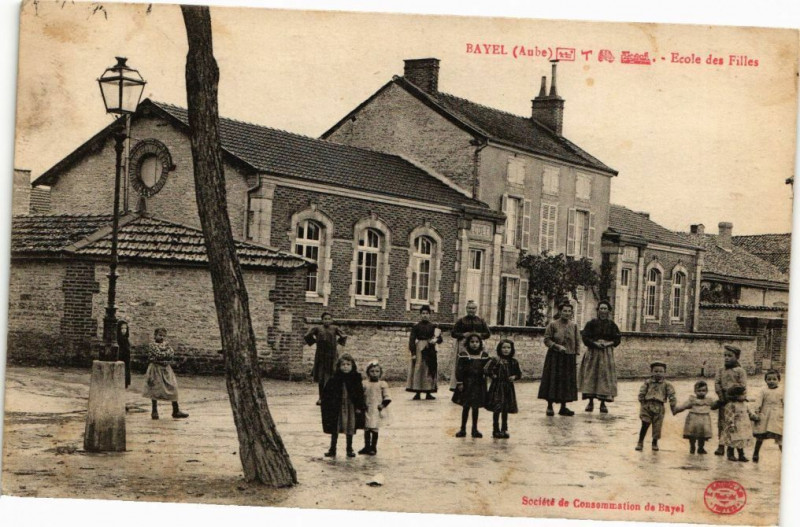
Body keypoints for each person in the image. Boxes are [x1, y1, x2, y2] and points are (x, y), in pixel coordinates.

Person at [538, 301, 580, 416]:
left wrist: (576, 355)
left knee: (566, 382)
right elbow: (547, 339)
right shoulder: (553, 325)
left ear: (572, 313)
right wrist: (556, 346)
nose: (567, 313)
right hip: (555, 357)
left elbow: (577, 341)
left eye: (569, 311)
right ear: (560, 312)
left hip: (568, 358)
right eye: (564, 311)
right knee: (553, 380)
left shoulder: (574, 326)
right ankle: (550, 406)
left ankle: (563, 407)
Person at [579, 300, 621, 413]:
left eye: (605, 309)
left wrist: (608, 343)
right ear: (598, 310)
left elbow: (617, 339)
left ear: (608, 311)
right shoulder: (591, 323)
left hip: (606, 354)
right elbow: (585, 337)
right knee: (591, 375)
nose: (603, 311)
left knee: (604, 376)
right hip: (593, 352)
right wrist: (595, 343)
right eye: (601, 308)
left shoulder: (612, 325)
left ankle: (603, 403)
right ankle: (590, 402)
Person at [320, 354, 365, 458]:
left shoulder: (356, 378)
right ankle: (332, 449)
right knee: (335, 428)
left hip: (350, 407)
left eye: (348, 364)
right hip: (338, 408)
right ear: (339, 366)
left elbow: (359, 393)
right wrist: (323, 400)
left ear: (352, 366)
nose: (345, 366)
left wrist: (359, 406)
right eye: (343, 364)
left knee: (350, 427)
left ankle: (349, 448)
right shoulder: (335, 378)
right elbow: (327, 391)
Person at [714, 344, 751, 461]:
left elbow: (742, 385)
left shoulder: (740, 371)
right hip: (724, 401)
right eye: (725, 355)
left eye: (729, 356)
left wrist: (732, 393)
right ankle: (721, 446)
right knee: (723, 423)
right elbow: (717, 383)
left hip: (736, 401)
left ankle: (739, 451)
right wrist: (721, 396)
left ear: (737, 357)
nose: (726, 358)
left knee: (737, 426)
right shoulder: (720, 370)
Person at [142, 328, 188, 420]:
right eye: (160, 335)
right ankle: (154, 411)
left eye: (163, 336)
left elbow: (171, 353)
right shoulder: (152, 345)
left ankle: (176, 410)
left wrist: (166, 353)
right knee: (155, 388)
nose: (161, 337)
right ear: (155, 336)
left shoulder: (166, 345)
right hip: (155, 369)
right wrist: (165, 353)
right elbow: (159, 354)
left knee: (173, 387)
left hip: (166, 369)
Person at [452, 334, 490, 438]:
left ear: (480, 343)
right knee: (466, 407)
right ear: (468, 343)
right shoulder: (464, 354)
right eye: (472, 342)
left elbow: (488, 368)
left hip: (479, 384)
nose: (474, 344)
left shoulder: (484, 355)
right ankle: (463, 429)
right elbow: (459, 369)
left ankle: (475, 429)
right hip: (467, 384)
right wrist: (460, 382)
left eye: (477, 342)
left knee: (475, 407)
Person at [305, 312, 347, 404]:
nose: (327, 321)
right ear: (322, 320)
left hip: (332, 356)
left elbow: (344, 336)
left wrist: (337, 343)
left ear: (331, 320)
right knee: (321, 378)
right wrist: (315, 341)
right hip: (321, 356)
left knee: (332, 376)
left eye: (329, 319)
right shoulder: (318, 328)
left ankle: (332, 397)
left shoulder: (335, 328)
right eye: (325, 319)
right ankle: (321, 398)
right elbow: (307, 335)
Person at [484, 339, 522, 439]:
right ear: (499, 349)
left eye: (508, 348)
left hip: (508, 388)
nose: (506, 350)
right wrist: (493, 375)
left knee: (505, 408)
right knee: (497, 408)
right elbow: (486, 369)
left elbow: (519, 374)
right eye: (504, 347)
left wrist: (514, 377)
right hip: (497, 387)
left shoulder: (513, 362)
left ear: (512, 349)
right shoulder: (495, 360)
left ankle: (504, 429)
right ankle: (495, 430)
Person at [635, 361, 676, 451]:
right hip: (647, 405)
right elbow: (642, 392)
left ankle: (654, 443)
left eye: (661, 371)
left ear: (664, 373)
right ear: (651, 372)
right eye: (656, 371)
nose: (658, 373)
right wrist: (642, 402)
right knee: (645, 424)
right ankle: (640, 442)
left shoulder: (667, 384)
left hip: (659, 407)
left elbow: (671, 394)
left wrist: (673, 405)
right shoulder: (647, 382)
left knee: (657, 427)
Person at [450, 301, 490, 390]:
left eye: (473, 308)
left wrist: (480, 335)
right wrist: (463, 335)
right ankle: (459, 385)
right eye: (469, 308)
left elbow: (487, 334)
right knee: (462, 364)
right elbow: (453, 333)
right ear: (466, 309)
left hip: (478, 345)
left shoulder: (481, 321)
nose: (471, 310)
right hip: (463, 345)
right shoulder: (461, 321)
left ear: (476, 309)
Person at [407, 305, 442, 400]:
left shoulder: (433, 326)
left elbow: (440, 339)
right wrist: (413, 353)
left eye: (427, 313)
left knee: (429, 369)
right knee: (419, 369)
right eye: (423, 313)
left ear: (429, 315)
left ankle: (428, 392)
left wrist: (435, 340)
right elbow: (411, 340)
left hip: (430, 349)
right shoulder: (416, 327)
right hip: (420, 349)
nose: (425, 315)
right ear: (420, 315)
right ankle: (417, 391)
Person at [673, 380, 715, 454]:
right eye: (699, 390)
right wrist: (676, 410)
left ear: (707, 391)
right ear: (695, 391)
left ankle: (701, 448)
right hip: (693, 419)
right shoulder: (692, 400)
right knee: (692, 435)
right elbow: (684, 406)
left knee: (702, 435)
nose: (701, 392)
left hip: (704, 420)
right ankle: (692, 447)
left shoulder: (709, 400)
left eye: (704, 390)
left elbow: (714, 406)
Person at [359, 361, 391, 455]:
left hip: (377, 409)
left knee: (374, 428)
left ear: (380, 373)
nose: (374, 373)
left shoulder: (382, 384)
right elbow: (360, 395)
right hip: (367, 408)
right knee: (367, 428)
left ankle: (373, 447)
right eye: (372, 371)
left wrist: (383, 405)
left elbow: (387, 397)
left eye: (377, 371)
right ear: (368, 372)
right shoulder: (364, 384)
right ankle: (366, 446)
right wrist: (362, 405)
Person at [751, 369, 783, 463]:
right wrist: (756, 412)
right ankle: (756, 453)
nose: (771, 381)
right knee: (760, 435)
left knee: (780, 436)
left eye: (774, 379)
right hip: (765, 415)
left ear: (778, 380)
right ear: (766, 380)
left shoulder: (782, 391)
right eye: (769, 379)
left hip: (777, 416)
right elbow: (758, 402)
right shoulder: (763, 391)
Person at [116, 320, 132, 389]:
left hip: (126, 357)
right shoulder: (118, 339)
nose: (124, 330)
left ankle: (125, 382)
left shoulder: (126, 339)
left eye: (125, 328)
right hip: (120, 356)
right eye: (122, 328)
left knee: (126, 369)